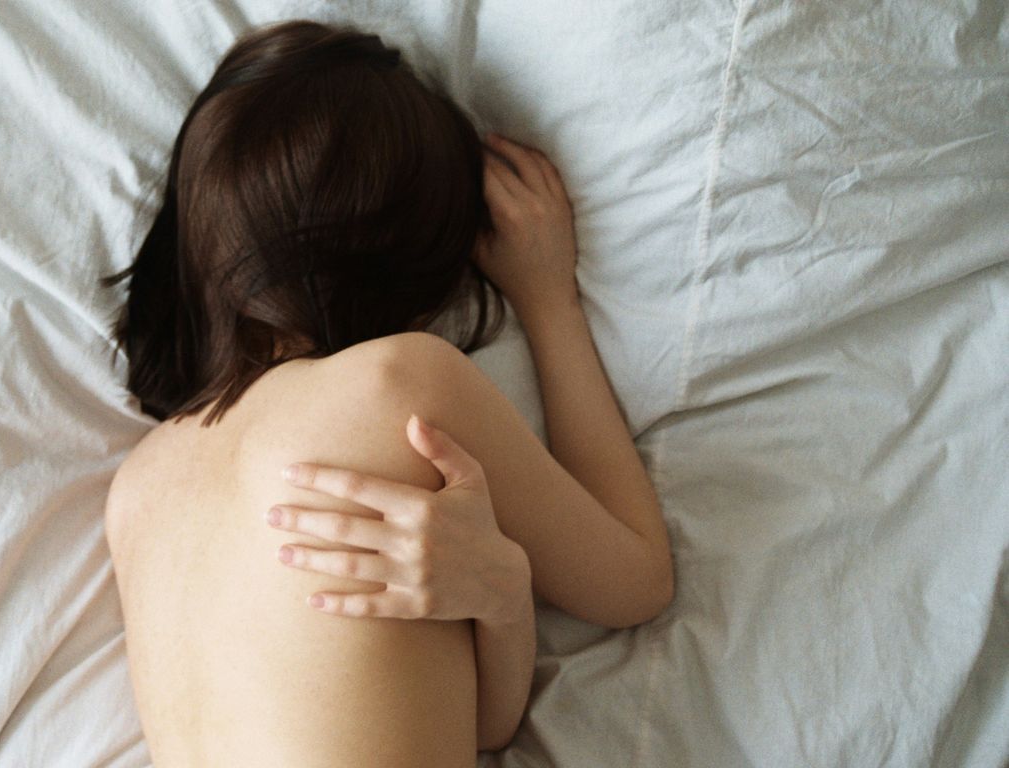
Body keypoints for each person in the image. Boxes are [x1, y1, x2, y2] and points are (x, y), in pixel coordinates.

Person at [102, 19, 673, 766]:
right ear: (419, 264)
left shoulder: (139, 488)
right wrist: (547, 301)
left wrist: (502, 596)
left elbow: (465, 728)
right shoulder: (398, 383)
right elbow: (637, 580)